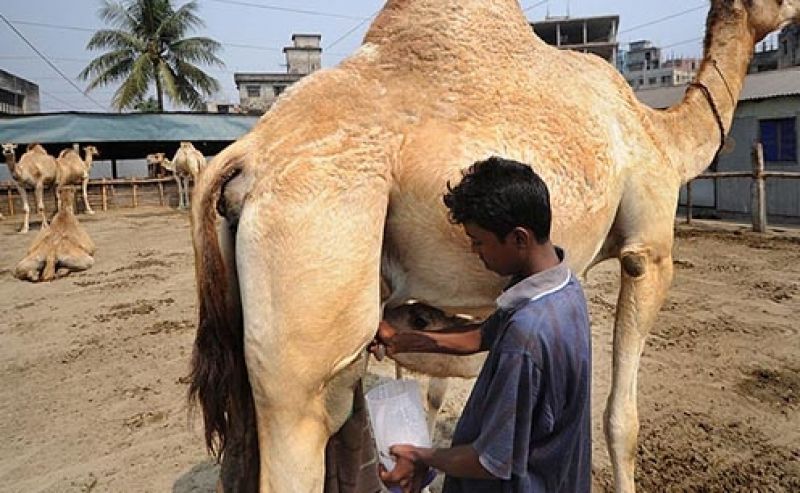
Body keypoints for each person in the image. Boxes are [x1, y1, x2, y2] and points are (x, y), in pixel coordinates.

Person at [371, 157, 592, 492]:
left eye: (479, 240)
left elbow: (491, 461)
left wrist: (423, 457)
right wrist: (401, 340)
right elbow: (479, 336)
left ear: (519, 238)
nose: (475, 251)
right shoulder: (562, 289)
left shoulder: (526, 338)